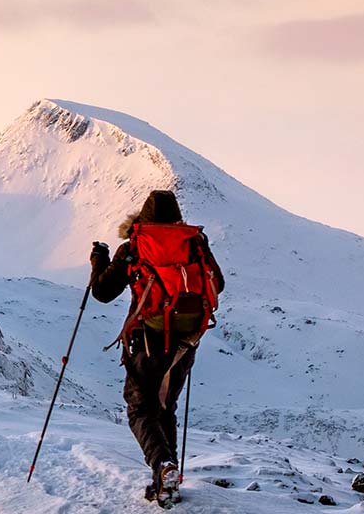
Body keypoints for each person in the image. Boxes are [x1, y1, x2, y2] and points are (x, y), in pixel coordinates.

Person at [89, 189, 224, 503]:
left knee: (140, 408)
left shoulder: (134, 247)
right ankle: (167, 479)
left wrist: (100, 261)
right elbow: (218, 283)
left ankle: (163, 467)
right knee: (165, 407)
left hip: (147, 340)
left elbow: (102, 292)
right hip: (186, 340)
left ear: (143, 217)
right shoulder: (194, 242)